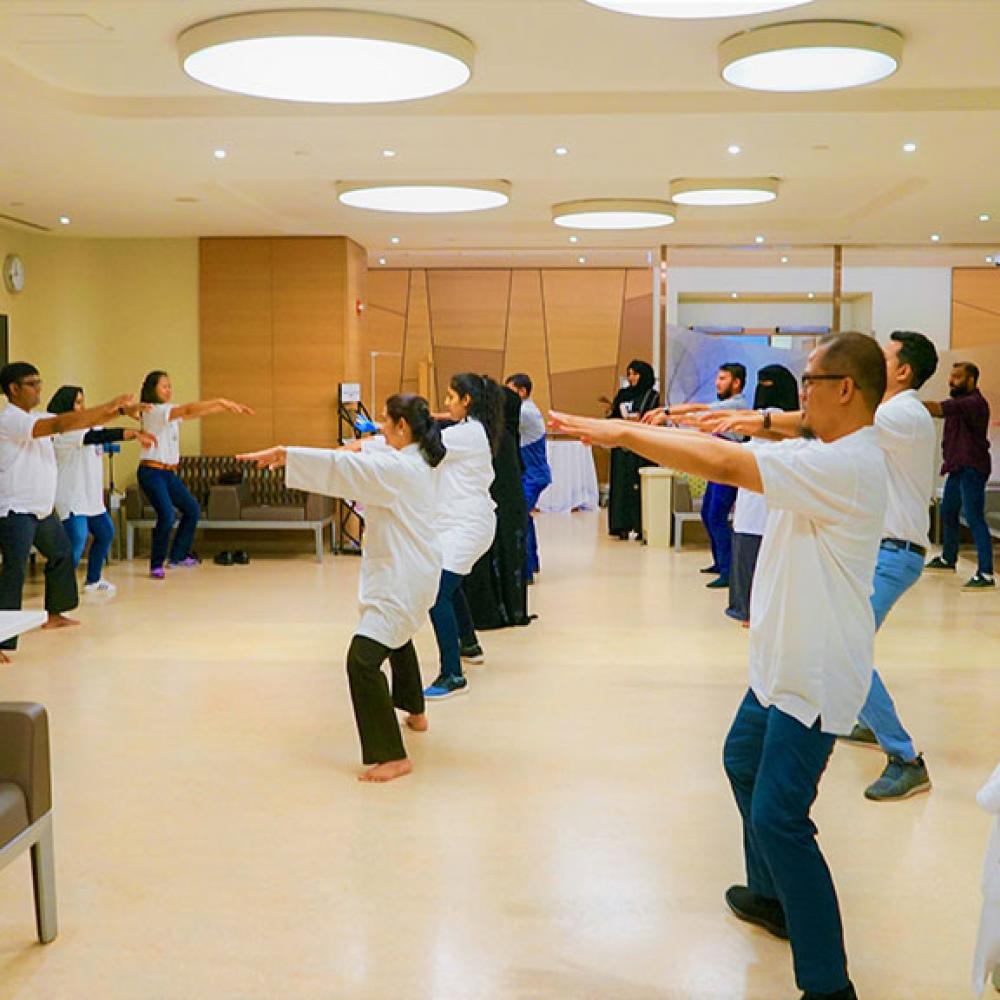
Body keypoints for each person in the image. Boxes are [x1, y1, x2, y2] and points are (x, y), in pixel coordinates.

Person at [552, 332, 890, 1000]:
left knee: (780, 819)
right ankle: (771, 895)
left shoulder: (848, 463)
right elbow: (766, 435)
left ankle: (829, 985)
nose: (800, 395)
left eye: (809, 382)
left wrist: (623, 434)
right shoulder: (829, 448)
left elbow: (726, 466)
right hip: (779, 663)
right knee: (741, 761)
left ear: (845, 389)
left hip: (812, 674)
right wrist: (746, 419)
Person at [701, 331, 940, 803]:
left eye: (883, 356)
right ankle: (861, 717)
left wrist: (755, 417)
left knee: (841, 652)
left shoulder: (900, 413)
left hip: (895, 551)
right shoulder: (877, 422)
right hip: (881, 547)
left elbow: (804, 425)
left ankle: (905, 757)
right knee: (841, 651)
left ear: (903, 371)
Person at [238, 395, 444, 783]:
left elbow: (344, 468)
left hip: (403, 577)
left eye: (385, 421)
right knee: (398, 637)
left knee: (362, 661)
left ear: (402, 427)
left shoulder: (397, 469)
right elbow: (371, 447)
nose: (379, 428)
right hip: (416, 570)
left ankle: (392, 757)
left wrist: (288, 454)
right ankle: (415, 711)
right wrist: (357, 443)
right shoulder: (420, 456)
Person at [0, 362, 145, 662]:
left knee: (62, 553)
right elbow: (59, 426)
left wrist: (117, 411)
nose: (38, 388)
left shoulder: (35, 416)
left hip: (40, 509)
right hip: (15, 509)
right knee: (13, 571)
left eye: (40, 382)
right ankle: (2, 641)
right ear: (13, 389)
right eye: (31, 383)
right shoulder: (9, 420)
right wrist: (112, 407)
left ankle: (55, 613)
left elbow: (75, 422)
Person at [423, 373, 503, 700]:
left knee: (435, 593)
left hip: (467, 525)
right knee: (450, 585)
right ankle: (469, 644)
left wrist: (375, 440)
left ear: (466, 400)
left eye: (450, 397)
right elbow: (438, 427)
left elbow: (424, 445)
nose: (446, 403)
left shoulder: (468, 433)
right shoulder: (473, 429)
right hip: (464, 523)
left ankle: (453, 674)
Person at [136, 370, 253, 580]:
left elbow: (192, 413)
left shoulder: (169, 411)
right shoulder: (152, 411)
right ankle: (156, 563)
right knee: (167, 515)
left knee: (191, 509)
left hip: (168, 474)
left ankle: (177, 556)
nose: (169, 390)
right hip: (151, 472)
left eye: (170, 386)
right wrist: (220, 400)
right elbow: (188, 408)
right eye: (164, 386)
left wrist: (222, 407)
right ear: (151, 389)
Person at [645, 362, 749, 588]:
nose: (717, 383)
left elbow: (700, 411)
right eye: (718, 378)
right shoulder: (726, 404)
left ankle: (729, 570)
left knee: (716, 516)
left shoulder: (736, 404)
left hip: (727, 467)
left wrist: (667, 413)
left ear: (737, 383)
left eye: (723, 378)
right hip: (716, 466)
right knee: (707, 513)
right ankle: (720, 563)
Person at [47, 385, 156, 598]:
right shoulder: (63, 431)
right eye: (77, 402)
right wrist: (126, 421)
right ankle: (61, 592)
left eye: (83, 402)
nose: (82, 407)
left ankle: (93, 580)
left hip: (90, 497)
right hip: (71, 496)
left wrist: (134, 433)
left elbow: (102, 432)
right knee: (76, 541)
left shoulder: (89, 427)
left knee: (105, 533)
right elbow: (95, 436)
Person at [724, 365, 798, 625]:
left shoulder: (762, 419)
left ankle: (747, 611)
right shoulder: (792, 421)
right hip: (775, 504)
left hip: (755, 505)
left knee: (749, 560)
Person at [462, 385, 531, 630]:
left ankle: (492, 609)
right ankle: (510, 606)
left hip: (496, 504)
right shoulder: (503, 434)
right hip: (509, 503)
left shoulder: (487, 436)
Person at [923, 362, 994, 590]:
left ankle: (986, 573)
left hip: (972, 468)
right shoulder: (959, 404)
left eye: (957, 377)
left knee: (974, 517)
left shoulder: (973, 403)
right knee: (948, 512)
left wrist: (903, 403)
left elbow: (937, 409)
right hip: (956, 467)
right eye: (951, 376)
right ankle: (948, 557)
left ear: (971, 380)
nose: (951, 381)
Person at [604, 359, 659, 540]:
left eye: (635, 373)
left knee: (639, 485)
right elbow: (614, 417)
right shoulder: (623, 394)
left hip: (642, 447)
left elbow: (653, 418)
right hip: (622, 447)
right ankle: (621, 525)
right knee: (621, 484)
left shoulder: (652, 396)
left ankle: (641, 524)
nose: (631, 377)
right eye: (629, 374)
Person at [505, 373, 551, 584]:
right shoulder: (527, 409)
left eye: (510, 391)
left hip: (534, 475)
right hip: (532, 473)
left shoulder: (524, 412)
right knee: (524, 516)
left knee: (519, 517)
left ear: (522, 392)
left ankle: (526, 570)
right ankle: (531, 563)